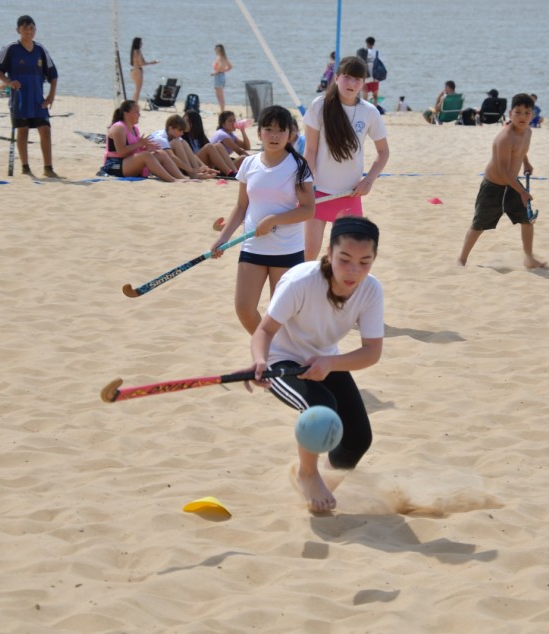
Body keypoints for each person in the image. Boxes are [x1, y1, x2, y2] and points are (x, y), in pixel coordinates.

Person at [243, 216, 384, 513]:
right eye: (344, 259)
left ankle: (320, 479)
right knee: (321, 409)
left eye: (364, 262)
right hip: (282, 360)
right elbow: (264, 331)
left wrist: (331, 362)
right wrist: (259, 360)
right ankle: (308, 472)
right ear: (329, 253)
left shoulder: (371, 290)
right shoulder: (301, 281)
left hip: (324, 358)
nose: (353, 271)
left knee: (358, 439)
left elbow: (371, 352)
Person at [211, 105, 316, 334]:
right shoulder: (249, 164)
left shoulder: (298, 166)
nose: (275, 136)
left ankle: (277, 354)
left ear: (291, 134)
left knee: (282, 315)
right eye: (268, 129)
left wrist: (273, 220)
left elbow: (308, 210)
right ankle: (270, 348)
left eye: (281, 130)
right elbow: (241, 206)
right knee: (244, 309)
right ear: (260, 134)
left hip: (287, 250)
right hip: (253, 247)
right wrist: (223, 237)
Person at [302, 56, 389, 261]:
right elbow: (311, 150)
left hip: (350, 193)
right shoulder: (320, 105)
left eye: (358, 79)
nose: (351, 83)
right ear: (337, 78)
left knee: (347, 255)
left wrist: (368, 181)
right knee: (309, 253)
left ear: (363, 83)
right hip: (319, 191)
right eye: (347, 77)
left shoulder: (370, 112)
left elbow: (383, 152)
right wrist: (306, 182)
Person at [457, 93, 546, 270]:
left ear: (533, 115)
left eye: (527, 113)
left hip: (512, 184)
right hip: (494, 186)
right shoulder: (505, 137)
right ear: (510, 113)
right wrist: (522, 192)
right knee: (479, 224)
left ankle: (529, 258)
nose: (522, 116)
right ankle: (461, 259)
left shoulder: (527, 132)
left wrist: (526, 163)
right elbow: (503, 171)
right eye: (518, 112)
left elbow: (521, 150)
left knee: (527, 220)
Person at [0, 15, 60, 178]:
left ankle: (48, 168)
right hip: (19, 100)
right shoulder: (11, 49)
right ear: (18, 30)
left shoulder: (40, 50)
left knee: (45, 130)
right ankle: (25, 167)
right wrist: (8, 81)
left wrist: (51, 96)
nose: (29, 32)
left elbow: (54, 75)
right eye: (25, 28)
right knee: (22, 132)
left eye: (32, 28)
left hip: (38, 100)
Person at [101, 100, 189, 182]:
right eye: (136, 112)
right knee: (145, 155)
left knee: (161, 153)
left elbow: (133, 150)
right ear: (126, 114)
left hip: (127, 162)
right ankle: (173, 180)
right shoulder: (119, 127)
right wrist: (139, 144)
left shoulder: (135, 129)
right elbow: (121, 152)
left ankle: (182, 177)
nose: (139, 115)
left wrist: (146, 148)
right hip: (114, 165)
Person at [148, 115, 219, 179]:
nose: (182, 133)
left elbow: (191, 154)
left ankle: (196, 173)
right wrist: (191, 169)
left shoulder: (174, 136)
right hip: (151, 166)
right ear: (170, 128)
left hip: (162, 163)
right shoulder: (161, 138)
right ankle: (193, 173)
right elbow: (173, 157)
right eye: (180, 130)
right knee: (176, 142)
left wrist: (204, 167)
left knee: (183, 142)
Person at [183, 109, 238, 177]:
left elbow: (245, 146)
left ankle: (235, 171)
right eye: (184, 121)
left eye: (188, 121)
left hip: (204, 164)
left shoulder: (200, 136)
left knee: (218, 145)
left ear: (195, 123)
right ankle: (229, 172)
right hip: (192, 164)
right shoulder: (182, 136)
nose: (185, 123)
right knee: (209, 147)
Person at [129, 37, 158, 104]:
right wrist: (152, 62)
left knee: (136, 90)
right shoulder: (138, 51)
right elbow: (142, 63)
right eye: (140, 43)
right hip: (138, 71)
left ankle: (134, 103)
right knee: (138, 90)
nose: (142, 44)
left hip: (133, 70)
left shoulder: (133, 51)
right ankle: (135, 104)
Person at [211, 44, 233, 113]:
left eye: (216, 49)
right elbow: (230, 66)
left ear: (219, 50)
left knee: (219, 96)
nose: (215, 50)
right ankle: (222, 110)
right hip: (221, 76)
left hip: (219, 76)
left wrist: (215, 72)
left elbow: (220, 67)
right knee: (220, 95)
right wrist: (223, 70)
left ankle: (222, 110)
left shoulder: (220, 57)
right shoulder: (223, 57)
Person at [361, 37, 382, 105]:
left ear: (366, 43)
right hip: (375, 78)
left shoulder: (364, 52)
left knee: (365, 97)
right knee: (375, 97)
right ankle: (374, 110)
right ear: (373, 43)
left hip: (366, 77)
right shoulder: (377, 53)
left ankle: (365, 110)